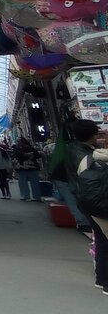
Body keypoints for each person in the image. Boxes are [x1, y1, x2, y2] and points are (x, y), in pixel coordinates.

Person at [74, 121, 108, 294]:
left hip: (91, 206)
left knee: (102, 241)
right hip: (105, 207)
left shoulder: (87, 158)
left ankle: (101, 279)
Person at [13, 138, 43, 202]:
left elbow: (38, 156)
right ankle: (28, 196)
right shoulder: (18, 149)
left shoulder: (31, 149)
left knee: (33, 183)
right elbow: (14, 156)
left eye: (19, 141)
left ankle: (33, 196)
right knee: (24, 183)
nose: (18, 143)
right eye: (18, 141)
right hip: (23, 168)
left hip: (31, 167)